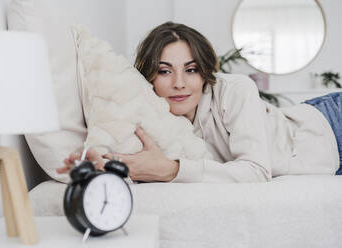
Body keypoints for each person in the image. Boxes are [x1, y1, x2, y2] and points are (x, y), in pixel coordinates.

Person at [57, 22, 341, 183]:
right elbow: (127, 150)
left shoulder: (235, 90)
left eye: (191, 69)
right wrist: (97, 164)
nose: (179, 83)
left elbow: (256, 171)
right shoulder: (153, 117)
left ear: (205, 73)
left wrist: (173, 169)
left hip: (329, 126)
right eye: (164, 70)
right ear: (148, 78)